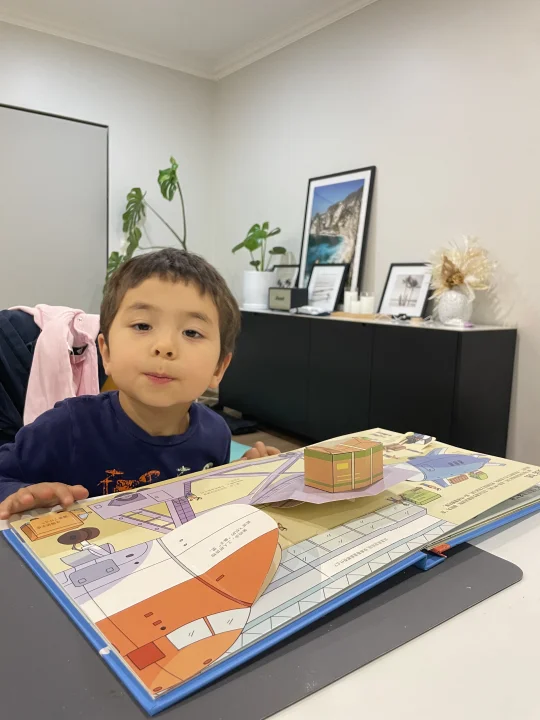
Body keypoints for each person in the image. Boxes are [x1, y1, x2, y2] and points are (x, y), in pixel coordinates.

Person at [0, 249, 278, 519]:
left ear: (219, 368)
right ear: (106, 353)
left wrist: (236, 477)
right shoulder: (66, 426)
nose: (165, 346)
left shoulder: (216, 432)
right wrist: (20, 495)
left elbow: (202, 504)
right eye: (143, 326)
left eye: (192, 332)